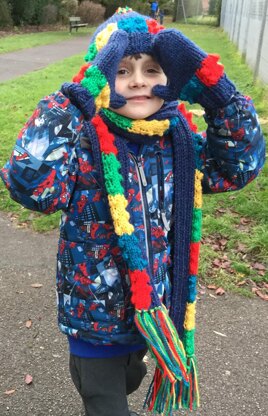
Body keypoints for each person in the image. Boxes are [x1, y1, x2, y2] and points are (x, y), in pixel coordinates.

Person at [0, 6, 265, 416]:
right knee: (106, 402)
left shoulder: (182, 143)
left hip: (154, 316)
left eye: (152, 69)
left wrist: (218, 93)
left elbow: (240, 167)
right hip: (93, 319)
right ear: (101, 80)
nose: (138, 80)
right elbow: (28, 184)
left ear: (173, 79)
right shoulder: (82, 142)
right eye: (121, 70)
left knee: (131, 378)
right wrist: (76, 101)